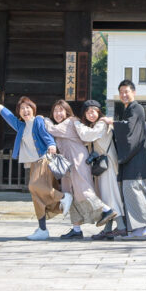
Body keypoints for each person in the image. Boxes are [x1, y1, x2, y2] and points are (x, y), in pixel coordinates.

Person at [0, 90, 68, 241]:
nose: (25, 111)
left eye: (27, 107)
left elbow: (47, 136)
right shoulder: (21, 126)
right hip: (32, 163)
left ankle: (63, 197)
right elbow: (8, 116)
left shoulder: (38, 121)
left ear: (33, 108)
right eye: (21, 108)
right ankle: (42, 229)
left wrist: (51, 145)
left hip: (43, 159)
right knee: (36, 195)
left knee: (33, 186)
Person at [48, 99, 117, 239]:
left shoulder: (71, 121)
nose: (58, 114)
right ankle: (76, 229)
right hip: (68, 165)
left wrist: (43, 120)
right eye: (55, 111)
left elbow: (51, 129)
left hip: (78, 161)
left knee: (83, 190)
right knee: (70, 195)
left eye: (61, 110)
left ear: (67, 112)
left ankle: (106, 210)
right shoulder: (68, 124)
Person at [111, 80, 146, 239]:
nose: (124, 95)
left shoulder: (136, 108)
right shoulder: (128, 109)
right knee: (129, 192)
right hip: (131, 157)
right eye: (121, 92)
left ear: (134, 92)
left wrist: (112, 123)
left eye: (127, 91)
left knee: (133, 189)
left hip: (136, 156)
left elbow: (129, 129)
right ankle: (137, 228)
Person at [76, 100, 128, 240]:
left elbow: (88, 136)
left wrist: (77, 125)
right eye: (87, 112)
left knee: (110, 195)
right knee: (106, 196)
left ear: (99, 111)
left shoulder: (101, 124)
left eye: (93, 111)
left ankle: (121, 227)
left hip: (108, 164)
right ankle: (107, 229)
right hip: (103, 166)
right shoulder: (96, 125)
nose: (90, 114)